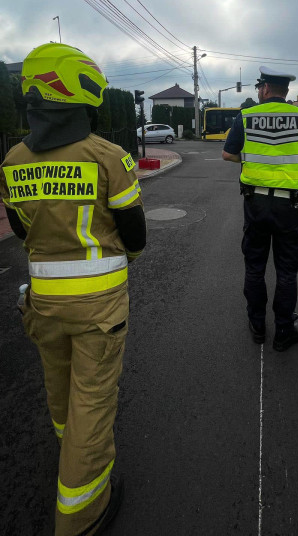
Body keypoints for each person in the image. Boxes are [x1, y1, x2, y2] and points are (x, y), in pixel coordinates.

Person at [0, 42, 147, 536]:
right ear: (79, 94)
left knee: (58, 386)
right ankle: (82, 513)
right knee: (93, 398)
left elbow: (22, 231)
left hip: (43, 303)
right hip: (99, 307)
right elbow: (135, 234)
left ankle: (68, 451)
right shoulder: (108, 156)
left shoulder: (13, 160)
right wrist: (122, 258)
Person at [222, 65, 298, 351]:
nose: (258, 91)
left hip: (255, 203)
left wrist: (253, 159)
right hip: (289, 206)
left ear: (265, 89)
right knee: (286, 271)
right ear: (286, 90)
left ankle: (257, 325)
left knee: (254, 267)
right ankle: (283, 331)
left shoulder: (247, 115)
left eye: (259, 87)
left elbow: (228, 154)